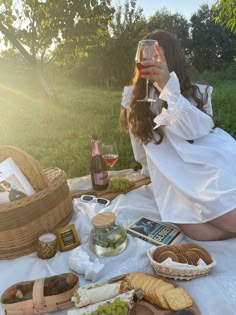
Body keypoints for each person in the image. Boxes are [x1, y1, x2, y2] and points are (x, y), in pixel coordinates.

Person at [120, 30, 236, 241]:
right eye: (145, 56)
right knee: (198, 231)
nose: (150, 62)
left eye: (157, 57)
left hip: (205, 159)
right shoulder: (133, 97)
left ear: (171, 60)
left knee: (230, 218)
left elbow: (196, 132)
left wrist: (169, 88)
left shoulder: (197, 92)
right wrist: (150, 172)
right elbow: (140, 148)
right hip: (172, 168)